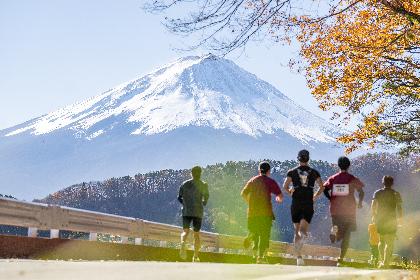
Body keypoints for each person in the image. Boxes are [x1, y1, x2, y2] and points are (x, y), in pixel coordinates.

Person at [283, 150, 324, 266]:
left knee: (296, 232)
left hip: (296, 203)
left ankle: (298, 257)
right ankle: (302, 235)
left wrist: (291, 192)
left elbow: (285, 186)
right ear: (308, 159)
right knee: (302, 230)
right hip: (308, 203)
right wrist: (315, 197)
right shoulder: (315, 172)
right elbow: (322, 187)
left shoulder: (292, 172)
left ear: (298, 159)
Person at [323, 156, 364, 266]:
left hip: (335, 210)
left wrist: (331, 198)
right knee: (346, 236)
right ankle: (340, 260)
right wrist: (360, 203)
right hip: (349, 210)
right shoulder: (352, 178)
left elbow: (325, 189)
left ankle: (334, 229)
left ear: (338, 165)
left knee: (338, 230)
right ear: (349, 165)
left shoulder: (333, 178)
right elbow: (361, 192)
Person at [241, 161, 283, 264]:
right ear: (269, 171)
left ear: (259, 170)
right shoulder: (270, 181)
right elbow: (280, 195)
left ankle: (251, 237)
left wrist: (249, 203)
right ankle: (260, 257)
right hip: (265, 213)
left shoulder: (253, 180)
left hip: (252, 212)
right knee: (264, 235)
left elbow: (243, 193)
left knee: (255, 233)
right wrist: (278, 199)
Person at [177, 166, 209, 262]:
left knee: (185, 231)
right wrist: (204, 202)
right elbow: (206, 197)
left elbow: (179, 197)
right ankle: (195, 256)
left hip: (186, 211)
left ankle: (183, 242)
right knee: (196, 234)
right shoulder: (203, 184)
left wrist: (185, 204)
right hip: (198, 212)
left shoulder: (185, 184)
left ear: (191, 173)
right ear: (200, 173)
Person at [371, 175, 403, 268]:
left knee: (382, 240)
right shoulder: (396, 194)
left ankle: (382, 261)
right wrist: (400, 219)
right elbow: (399, 208)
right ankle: (385, 263)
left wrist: (373, 216)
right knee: (390, 242)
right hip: (392, 220)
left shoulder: (378, 193)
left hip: (380, 219)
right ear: (392, 183)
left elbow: (373, 206)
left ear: (383, 182)